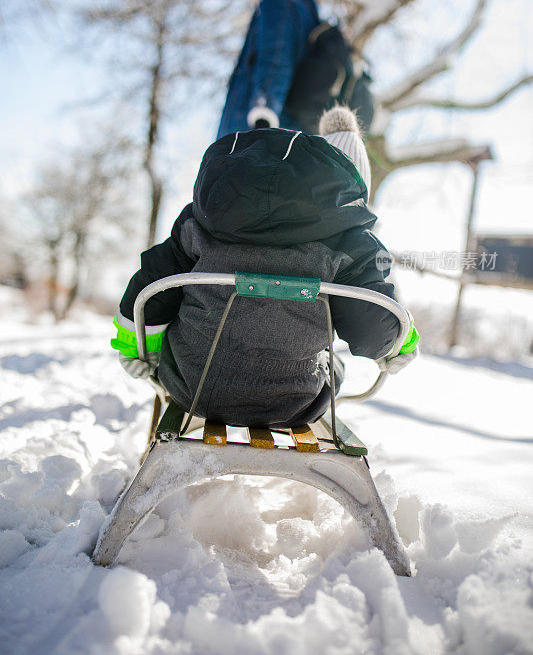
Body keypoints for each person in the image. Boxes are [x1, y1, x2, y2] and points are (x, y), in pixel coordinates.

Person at [112, 106, 419, 428]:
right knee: (332, 362)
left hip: (192, 388)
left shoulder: (198, 224)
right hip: (296, 400)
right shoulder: (351, 244)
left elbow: (149, 294)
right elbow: (373, 329)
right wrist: (402, 340)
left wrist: (139, 349)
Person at [217, 0, 319, 139]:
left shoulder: (279, 1)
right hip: (288, 131)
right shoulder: (305, 10)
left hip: (254, 133)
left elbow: (275, 58)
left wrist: (263, 115)